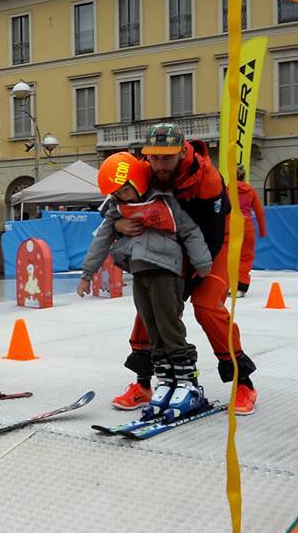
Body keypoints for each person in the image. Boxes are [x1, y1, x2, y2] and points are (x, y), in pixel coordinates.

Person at [112, 123, 259, 415]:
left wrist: (188, 279)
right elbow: (114, 205)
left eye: (166, 158)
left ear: (182, 152)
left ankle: (243, 382)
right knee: (152, 306)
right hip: (169, 245)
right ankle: (143, 384)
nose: (159, 164)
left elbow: (212, 236)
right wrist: (118, 223)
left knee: (206, 306)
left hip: (213, 244)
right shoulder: (142, 171)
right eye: (153, 157)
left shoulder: (208, 179)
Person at [78, 153, 212, 420]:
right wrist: (87, 273)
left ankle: (187, 383)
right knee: (152, 329)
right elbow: (101, 239)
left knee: (169, 327)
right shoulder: (117, 210)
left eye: (125, 189)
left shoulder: (164, 200)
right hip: (140, 274)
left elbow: (190, 231)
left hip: (166, 272)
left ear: (137, 180)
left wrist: (202, 262)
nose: (123, 197)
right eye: (117, 193)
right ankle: (165, 382)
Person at [236, 166, 267, 297]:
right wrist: (262, 231)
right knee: (245, 257)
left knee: (227, 257)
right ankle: (241, 287)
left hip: (230, 226)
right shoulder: (251, 191)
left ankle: (228, 285)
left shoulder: (226, 189)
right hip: (246, 226)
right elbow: (260, 212)